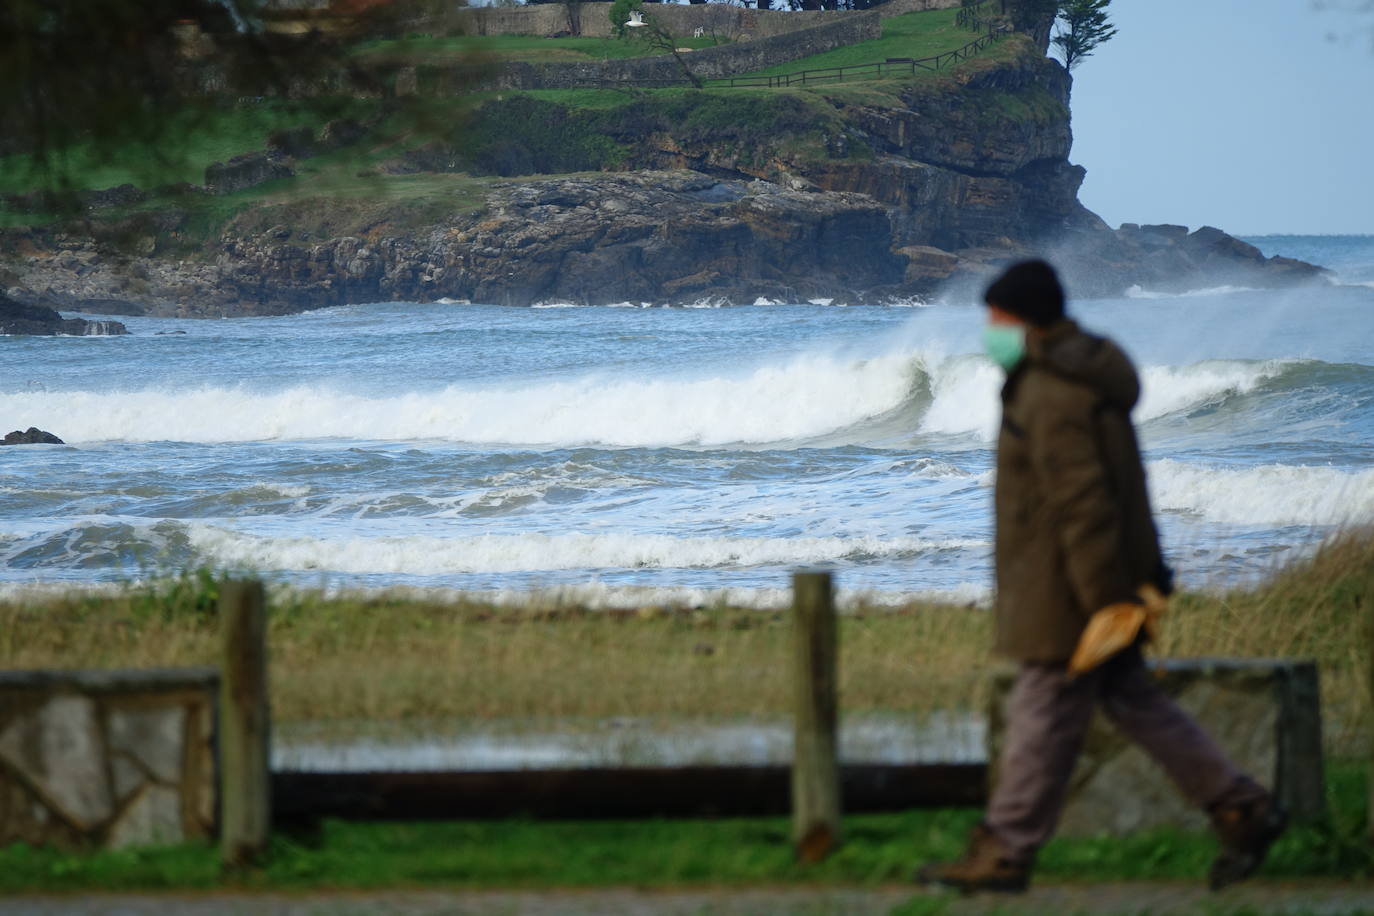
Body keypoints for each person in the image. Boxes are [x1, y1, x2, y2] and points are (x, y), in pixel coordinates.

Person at [917, 260, 1287, 894]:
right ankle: (1240, 808)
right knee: (1133, 702)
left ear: (1024, 318)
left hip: (1069, 590)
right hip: (1097, 581)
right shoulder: (1078, 375)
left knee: (1042, 711)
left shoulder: (1049, 390)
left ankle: (1005, 850)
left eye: (996, 316)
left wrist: (1102, 604)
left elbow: (1083, 503)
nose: (987, 328)